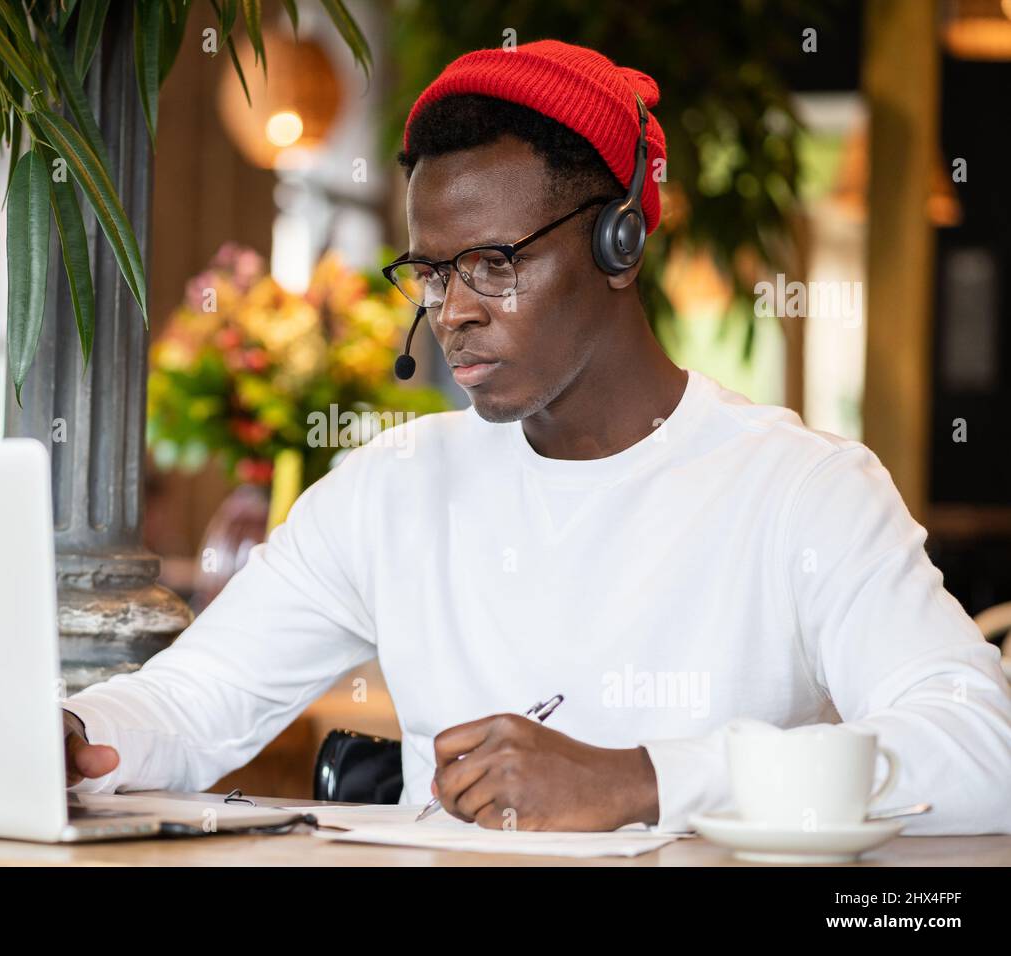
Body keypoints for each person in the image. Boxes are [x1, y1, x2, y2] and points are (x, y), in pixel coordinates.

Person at [62, 40, 1011, 833]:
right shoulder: (391, 488)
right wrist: (78, 731)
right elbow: (194, 699)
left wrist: (643, 780)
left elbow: (981, 751)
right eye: (433, 272)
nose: (454, 312)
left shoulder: (803, 490)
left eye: (494, 263)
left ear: (621, 243)